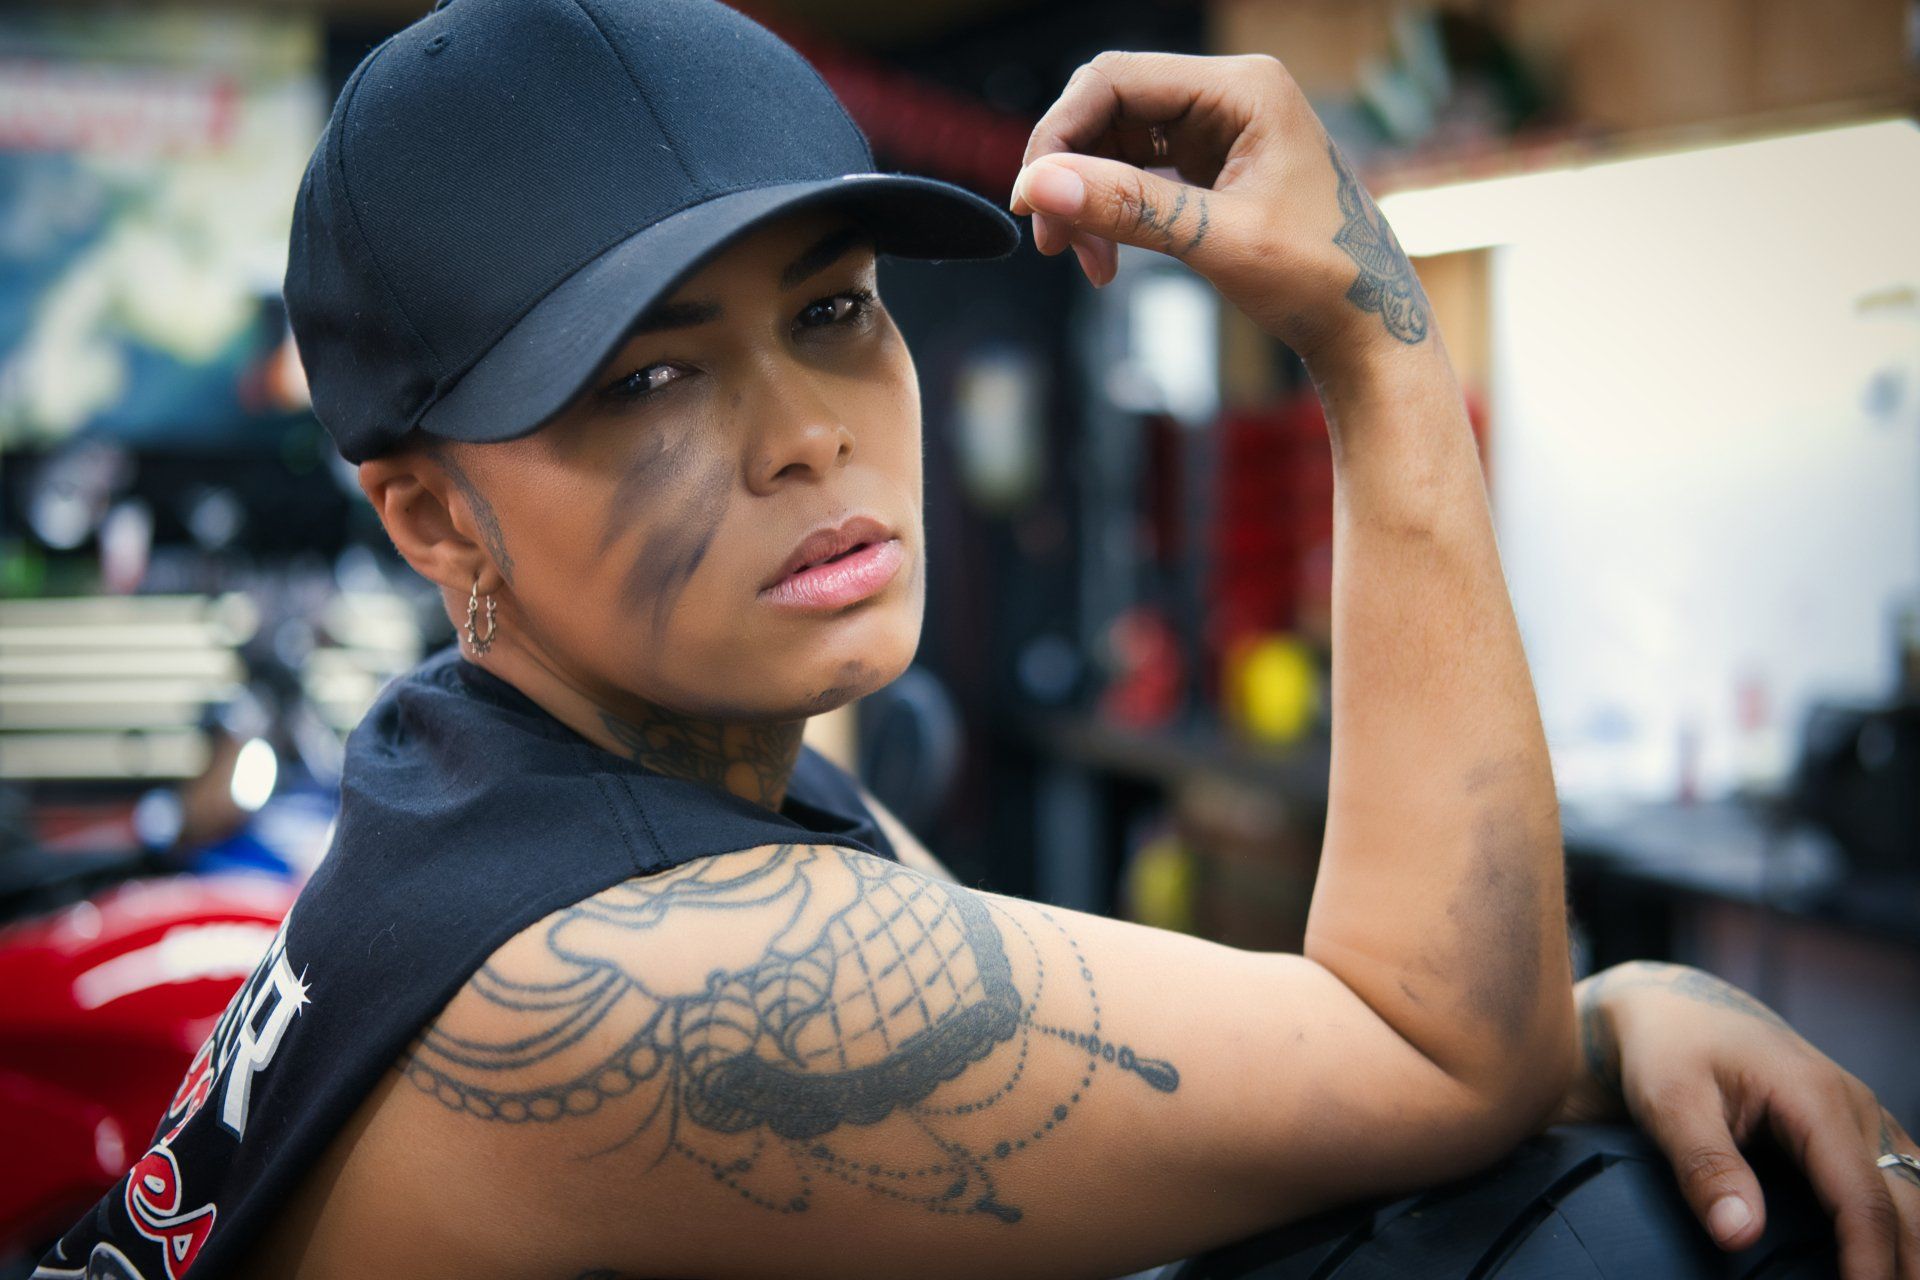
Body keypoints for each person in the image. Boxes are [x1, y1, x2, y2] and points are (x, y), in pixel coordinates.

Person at [35, 1, 1918, 1278]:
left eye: (838, 308)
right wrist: (1374, 339)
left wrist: (1585, 1020)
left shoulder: (542, 779)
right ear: (436, 516)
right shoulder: (619, 963)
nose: (803, 429)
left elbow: (1265, 1052)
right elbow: (1435, 1056)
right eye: (650, 376)